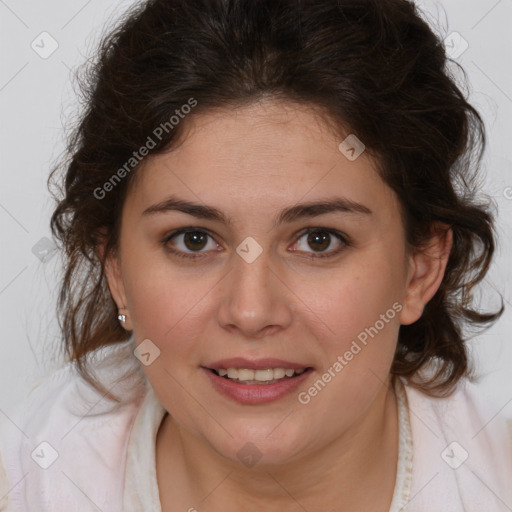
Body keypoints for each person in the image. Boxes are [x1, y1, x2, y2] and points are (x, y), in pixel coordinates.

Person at [1, 0, 511, 510]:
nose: (250, 311)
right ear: (116, 270)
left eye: (318, 240)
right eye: (193, 240)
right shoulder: (27, 477)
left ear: (420, 270)